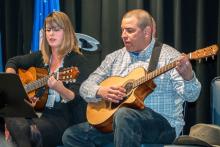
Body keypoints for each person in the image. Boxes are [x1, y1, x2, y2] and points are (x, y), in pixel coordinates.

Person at [62, 9, 201, 147]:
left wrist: (188, 77)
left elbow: (192, 96)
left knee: (124, 114)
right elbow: (85, 87)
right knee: (71, 135)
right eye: (122, 30)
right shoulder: (114, 58)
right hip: (119, 124)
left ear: (146, 32)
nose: (123, 35)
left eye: (129, 30)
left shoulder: (170, 57)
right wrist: (100, 91)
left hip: (162, 126)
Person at [3, 11, 89, 147]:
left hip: (62, 119)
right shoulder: (41, 57)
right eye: (48, 30)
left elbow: (78, 96)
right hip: (36, 114)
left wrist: (60, 89)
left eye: (56, 30)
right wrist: (15, 82)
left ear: (66, 32)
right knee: (10, 113)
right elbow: (13, 62)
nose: (51, 34)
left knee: (26, 132)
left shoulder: (78, 61)